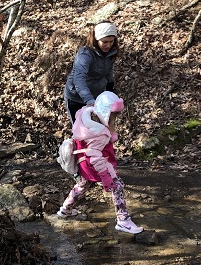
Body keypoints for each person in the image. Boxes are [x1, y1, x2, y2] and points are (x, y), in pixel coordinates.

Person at [57, 91, 143, 234]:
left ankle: (65, 209)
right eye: (113, 118)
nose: (114, 122)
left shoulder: (84, 118)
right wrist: (105, 176)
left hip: (83, 163)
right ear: (106, 115)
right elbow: (95, 156)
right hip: (95, 165)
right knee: (117, 187)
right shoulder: (100, 133)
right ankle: (123, 220)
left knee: (83, 184)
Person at [64, 22, 119, 124]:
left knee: (98, 129)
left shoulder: (111, 52)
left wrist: (110, 89)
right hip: (76, 97)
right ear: (96, 39)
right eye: (105, 42)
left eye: (111, 41)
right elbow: (79, 79)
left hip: (97, 96)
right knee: (81, 130)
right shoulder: (85, 55)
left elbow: (108, 71)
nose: (108, 45)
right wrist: (89, 100)